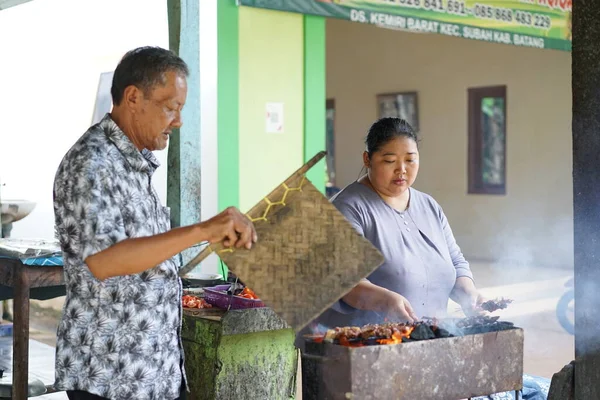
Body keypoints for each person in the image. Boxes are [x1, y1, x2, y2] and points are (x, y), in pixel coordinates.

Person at [52, 46, 257, 400]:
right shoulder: (91, 163)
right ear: (133, 97)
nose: (177, 121)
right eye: (170, 108)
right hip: (109, 375)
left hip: (151, 371)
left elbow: (143, 253)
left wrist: (209, 238)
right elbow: (105, 260)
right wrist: (203, 230)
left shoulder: (133, 164)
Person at [304, 117, 549, 400]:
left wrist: (470, 295)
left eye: (411, 159)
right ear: (367, 159)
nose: (402, 169)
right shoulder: (348, 208)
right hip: (371, 359)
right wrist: (387, 300)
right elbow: (343, 282)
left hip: (429, 349)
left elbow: (456, 263)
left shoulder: (429, 206)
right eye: (389, 160)